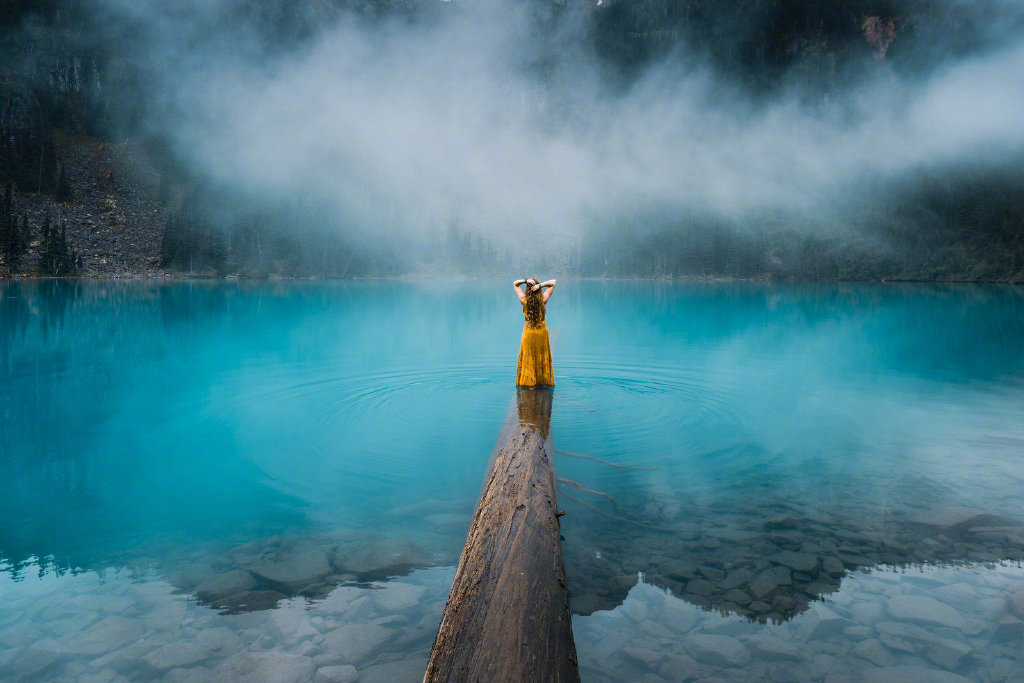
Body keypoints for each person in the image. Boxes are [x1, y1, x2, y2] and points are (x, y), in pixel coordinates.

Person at [512, 277, 556, 386]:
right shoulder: (543, 299)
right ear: (537, 288)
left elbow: (515, 284)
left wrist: (525, 280)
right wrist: (540, 285)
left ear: (527, 288)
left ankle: (529, 383)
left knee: (529, 355)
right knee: (541, 355)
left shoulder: (523, 299)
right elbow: (553, 282)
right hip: (541, 332)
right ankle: (542, 382)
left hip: (528, 332)